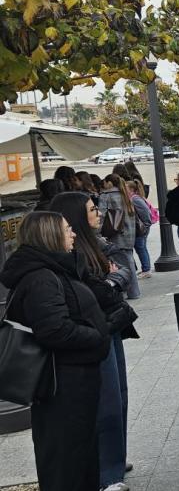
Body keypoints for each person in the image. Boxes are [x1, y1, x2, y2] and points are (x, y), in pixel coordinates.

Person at [0, 212, 109, 491]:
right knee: (67, 460)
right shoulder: (42, 278)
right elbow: (54, 330)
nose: (73, 234)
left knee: (79, 455)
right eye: (67, 229)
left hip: (73, 379)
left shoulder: (53, 270)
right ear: (49, 235)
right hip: (63, 383)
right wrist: (96, 334)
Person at [47, 192, 138, 491]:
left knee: (119, 395)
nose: (98, 213)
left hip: (111, 326)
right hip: (93, 332)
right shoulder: (70, 254)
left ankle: (115, 458)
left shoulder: (97, 243)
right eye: (91, 209)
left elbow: (124, 271)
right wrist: (111, 281)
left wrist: (113, 280)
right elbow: (98, 290)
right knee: (107, 400)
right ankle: (107, 474)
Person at [98, 173, 139, 299]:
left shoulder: (106, 196)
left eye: (105, 182)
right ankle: (134, 291)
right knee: (129, 260)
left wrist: (98, 232)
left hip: (115, 234)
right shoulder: (125, 194)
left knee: (118, 263)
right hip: (129, 233)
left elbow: (101, 216)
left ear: (109, 183)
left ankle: (124, 292)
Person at [126, 180, 154, 279]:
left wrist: (145, 226)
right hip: (140, 228)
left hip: (140, 229)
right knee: (141, 248)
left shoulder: (135, 199)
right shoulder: (134, 198)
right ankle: (145, 269)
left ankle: (146, 270)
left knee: (141, 248)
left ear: (131, 189)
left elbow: (146, 213)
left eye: (126, 187)